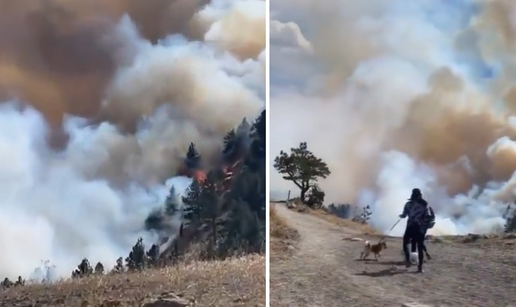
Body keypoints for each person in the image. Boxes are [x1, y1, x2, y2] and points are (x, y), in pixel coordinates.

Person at [399, 188, 429, 273]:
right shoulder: (424, 204)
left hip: (410, 227)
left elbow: (404, 215)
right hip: (420, 228)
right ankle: (419, 267)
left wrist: (401, 216)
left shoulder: (408, 204)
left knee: (405, 243)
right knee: (420, 247)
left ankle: (408, 260)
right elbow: (426, 216)